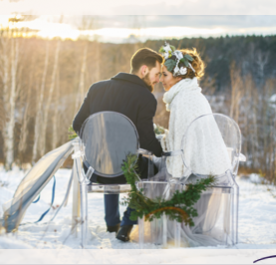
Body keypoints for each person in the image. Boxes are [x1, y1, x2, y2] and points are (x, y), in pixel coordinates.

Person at [72, 48, 164, 242]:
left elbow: (77, 124)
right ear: (144, 70)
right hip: (126, 170)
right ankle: (126, 224)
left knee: (111, 158)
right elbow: (147, 140)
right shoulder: (146, 98)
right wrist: (161, 151)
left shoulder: (97, 88)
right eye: (157, 74)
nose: (158, 80)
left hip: (94, 168)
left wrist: (95, 144)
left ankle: (111, 222)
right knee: (154, 171)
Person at [156, 42, 232, 247]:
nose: (160, 79)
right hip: (215, 166)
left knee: (158, 172)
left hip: (201, 172)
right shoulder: (194, 94)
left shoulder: (182, 100)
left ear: (179, 77)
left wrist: (174, 178)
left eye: (165, 75)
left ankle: (161, 228)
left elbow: (180, 146)